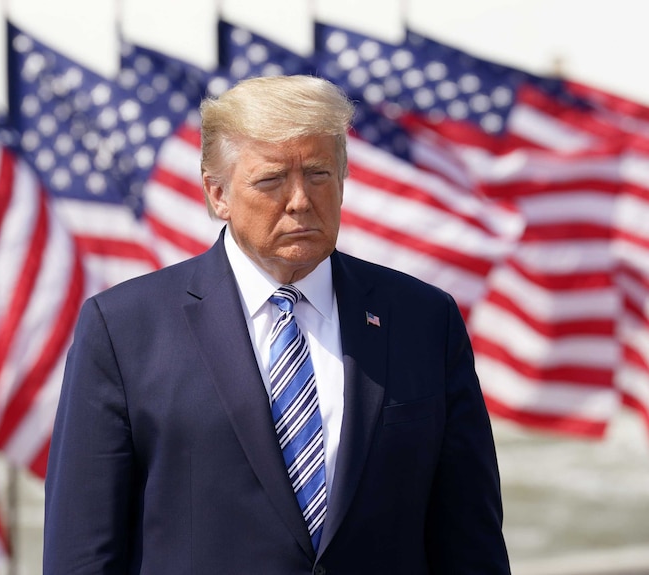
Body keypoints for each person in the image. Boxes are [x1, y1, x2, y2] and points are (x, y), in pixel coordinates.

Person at [43, 75, 510, 574]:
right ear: (217, 194)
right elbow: (82, 553)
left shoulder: (423, 320)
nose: (300, 201)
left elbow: (470, 543)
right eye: (271, 180)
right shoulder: (123, 330)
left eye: (318, 174)